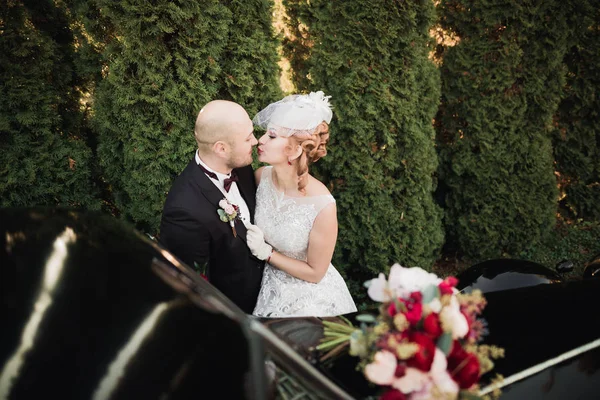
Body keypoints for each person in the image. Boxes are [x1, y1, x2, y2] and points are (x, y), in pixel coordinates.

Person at [246, 91, 357, 317]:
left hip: (308, 298)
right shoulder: (261, 177)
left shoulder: (323, 205)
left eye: (273, 136)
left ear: (296, 149)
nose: (261, 140)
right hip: (262, 282)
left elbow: (315, 273)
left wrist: (267, 253)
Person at [159, 100, 264, 314]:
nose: (255, 141)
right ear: (221, 148)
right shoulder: (183, 211)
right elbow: (191, 292)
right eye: (248, 138)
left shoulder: (242, 167)